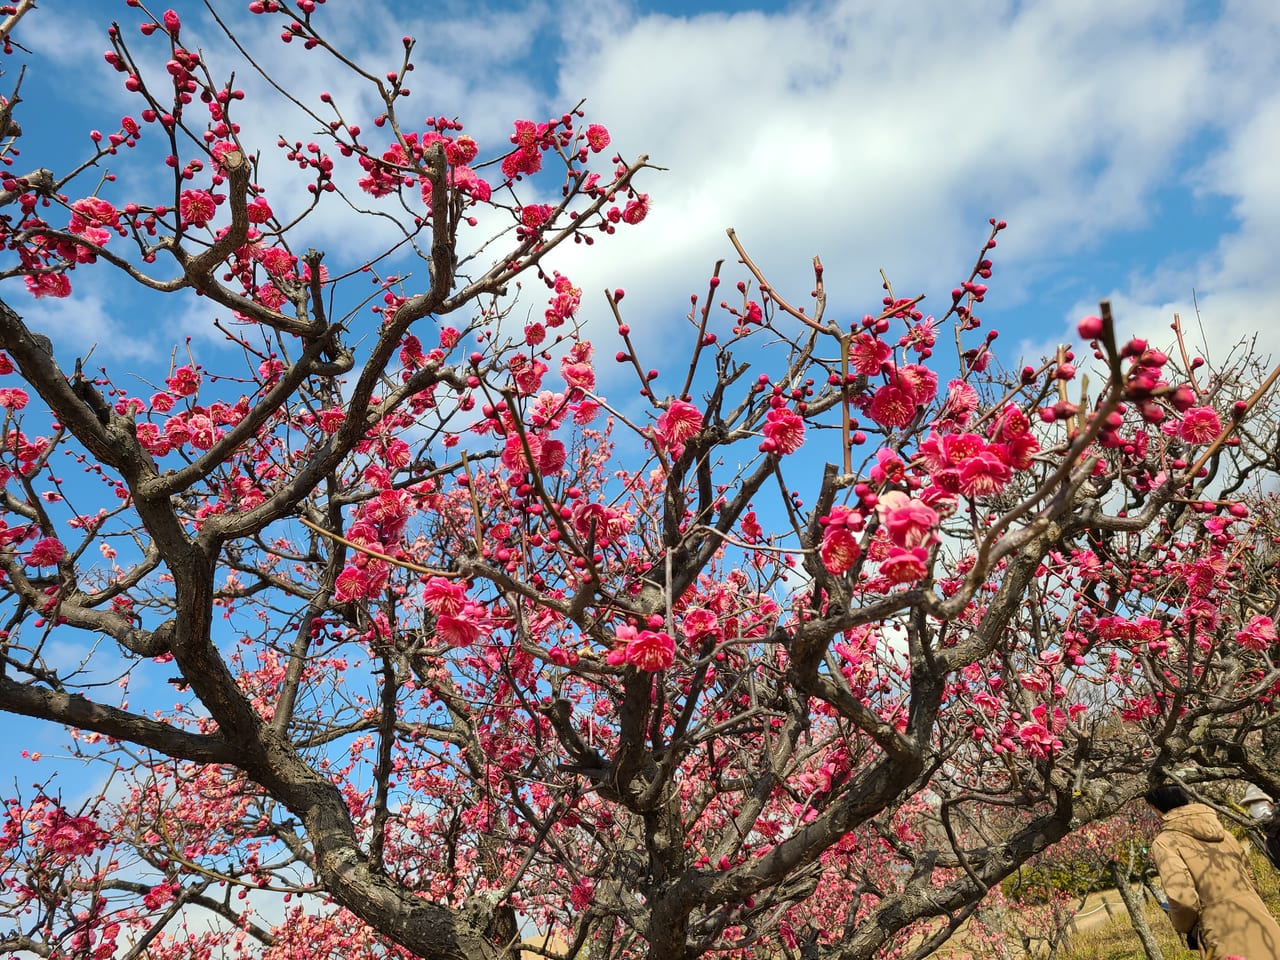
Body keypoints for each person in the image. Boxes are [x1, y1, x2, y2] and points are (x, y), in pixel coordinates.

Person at [1147, 782, 1280, 959]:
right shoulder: (1224, 834)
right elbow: (1250, 878)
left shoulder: (1165, 842)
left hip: (1219, 930)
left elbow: (1182, 898)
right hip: (1260, 920)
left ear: (1155, 807)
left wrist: (1187, 926)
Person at [1243, 784, 1280, 873]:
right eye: (1250, 805)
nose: (1254, 807)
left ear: (1271, 802)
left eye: (1257, 801)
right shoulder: (1270, 840)